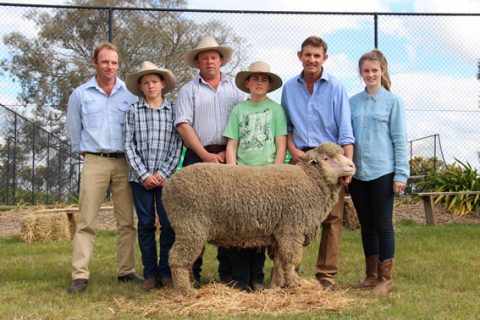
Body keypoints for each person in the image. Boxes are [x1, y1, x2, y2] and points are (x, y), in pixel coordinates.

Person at [66, 42, 142, 293]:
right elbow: (74, 132)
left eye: (114, 62)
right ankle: (80, 275)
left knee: (127, 221)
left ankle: (126, 271)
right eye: (105, 62)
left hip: (124, 162)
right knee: (86, 220)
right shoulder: (80, 94)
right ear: (94, 63)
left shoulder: (129, 95)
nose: (110, 66)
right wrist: (88, 152)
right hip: (94, 161)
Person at [281, 36, 355, 290]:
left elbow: (346, 132)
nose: (312, 59)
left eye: (317, 55)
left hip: (330, 162)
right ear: (299, 56)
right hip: (300, 159)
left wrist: (347, 167)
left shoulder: (336, 88)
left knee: (332, 219)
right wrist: (292, 150)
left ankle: (326, 275)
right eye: (308, 54)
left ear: (325, 58)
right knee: (291, 218)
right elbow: (287, 127)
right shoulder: (290, 88)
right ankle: (290, 272)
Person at [175, 36, 245, 286]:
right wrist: (205, 156)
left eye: (213, 57)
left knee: (229, 215)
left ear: (220, 60)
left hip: (229, 156)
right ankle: (191, 273)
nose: (209, 61)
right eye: (204, 57)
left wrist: (229, 152)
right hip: (198, 155)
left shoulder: (236, 90)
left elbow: (241, 122)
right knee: (194, 216)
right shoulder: (188, 90)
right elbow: (183, 125)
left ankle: (228, 274)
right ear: (197, 62)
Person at [349, 49, 409, 295]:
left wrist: (400, 174)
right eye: (366, 71)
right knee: (366, 225)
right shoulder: (352, 102)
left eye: (375, 70)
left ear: (382, 71)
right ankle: (371, 275)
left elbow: (399, 139)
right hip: (358, 174)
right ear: (360, 73)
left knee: (383, 224)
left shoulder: (393, 102)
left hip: (383, 172)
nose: (370, 74)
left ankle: (386, 278)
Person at [223, 61, 287, 291]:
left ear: (269, 85)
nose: (259, 83)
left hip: (266, 175)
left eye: (264, 79)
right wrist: (232, 172)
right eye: (255, 79)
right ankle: (240, 279)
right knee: (241, 228)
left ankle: (257, 278)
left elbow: (281, 143)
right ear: (247, 83)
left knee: (262, 230)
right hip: (242, 176)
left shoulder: (276, 110)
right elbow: (232, 143)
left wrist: (276, 172)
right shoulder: (240, 110)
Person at [124, 61, 183, 291]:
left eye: (154, 82)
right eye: (146, 82)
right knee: (146, 224)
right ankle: (150, 273)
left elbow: (177, 145)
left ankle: (166, 271)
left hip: (166, 178)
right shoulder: (133, 112)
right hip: (140, 179)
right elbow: (129, 145)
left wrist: (163, 173)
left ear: (163, 84)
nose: (150, 86)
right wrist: (144, 174)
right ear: (140, 86)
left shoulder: (173, 111)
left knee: (168, 224)